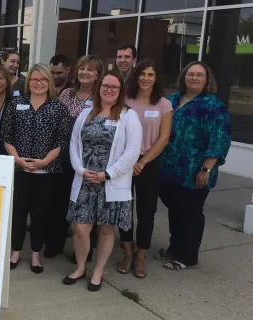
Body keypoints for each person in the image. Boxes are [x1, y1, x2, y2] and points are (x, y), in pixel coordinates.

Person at [65, 70, 141, 292]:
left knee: (106, 229)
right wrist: (80, 169)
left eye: (114, 87)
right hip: (85, 180)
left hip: (110, 182)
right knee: (80, 228)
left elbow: (132, 152)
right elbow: (73, 143)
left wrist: (108, 174)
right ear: (99, 88)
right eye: (105, 86)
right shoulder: (86, 113)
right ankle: (80, 267)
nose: (109, 90)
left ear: (120, 91)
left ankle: (97, 271)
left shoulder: (128, 116)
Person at [157, 61, 231, 271]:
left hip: (194, 170)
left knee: (190, 213)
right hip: (169, 168)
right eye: (191, 74)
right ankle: (175, 247)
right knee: (175, 209)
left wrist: (207, 168)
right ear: (184, 76)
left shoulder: (213, 105)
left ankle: (187, 256)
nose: (195, 78)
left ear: (207, 80)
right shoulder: (172, 100)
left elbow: (220, 138)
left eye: (200, 75)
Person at [0, 64, 70, 274]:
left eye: (43, 80)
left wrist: (44, 162)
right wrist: (18, 159)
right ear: (28, 82)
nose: (38, 83)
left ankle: (35, 254)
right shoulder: (16, 103)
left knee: (40, 215)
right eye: (34, 79)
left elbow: (61, 140)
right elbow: (6, 135)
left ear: (49, 83)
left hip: (46, 172)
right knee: (18, 212)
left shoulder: (57, 107)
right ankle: (15, 251)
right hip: (19, 169)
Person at [116, 60, 173, 278]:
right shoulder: (125, 100)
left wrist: (142, 161)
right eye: (142, 74)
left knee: (147, 212)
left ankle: (141, 254)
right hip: (124, 162)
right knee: (124, 210)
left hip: (148, 163)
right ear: (136, 76)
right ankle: (128, 251)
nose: (146, 78)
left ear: (156, 78)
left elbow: (164, 137)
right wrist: (129, 161)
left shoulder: (163, 104)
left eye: (150, 74)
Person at [58, 55, 104, 263]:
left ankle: (85, 251)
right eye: (82, 68)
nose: (85, 72)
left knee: (86, 205)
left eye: (90, 70)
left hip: (89, 159)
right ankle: (56, 242)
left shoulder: (101, 98)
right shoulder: (66, 94)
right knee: (62, 200)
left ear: (98, 75)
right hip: (64, 155)